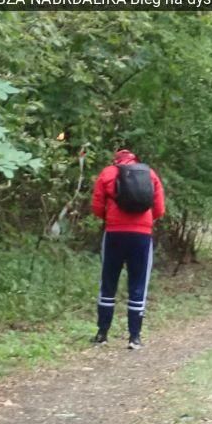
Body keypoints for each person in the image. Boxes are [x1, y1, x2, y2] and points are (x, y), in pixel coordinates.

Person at [90, 149, 165, 350]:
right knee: (138, 283)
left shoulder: (107, 173)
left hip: (114, 234)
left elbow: (96, 206)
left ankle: (102, 334)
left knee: (108, 282)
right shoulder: (150, 174)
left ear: (116, 160)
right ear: (135, 160)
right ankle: (134, 337)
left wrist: (110, 219)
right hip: (142, 235)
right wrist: (143, 221)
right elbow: (159, 209)